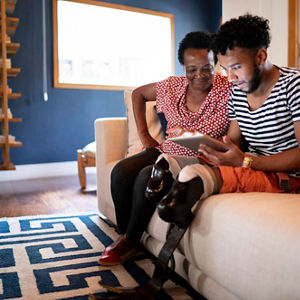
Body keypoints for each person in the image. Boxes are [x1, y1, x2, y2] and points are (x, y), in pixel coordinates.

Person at [98, 31, 232, 265]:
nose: (199, 75)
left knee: (146, 176)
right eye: (192, 70)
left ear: (216, 64)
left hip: (200, 158)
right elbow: (139, 94)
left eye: (206, 68)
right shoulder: (172, 86)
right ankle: (128, 234)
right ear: (183, 67)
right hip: (166, 149)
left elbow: (234, 139)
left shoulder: (229, 90)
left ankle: (129, 241)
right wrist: (144, 134)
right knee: (121, 172)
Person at [157, 14, 300, 228]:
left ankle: (181, 198)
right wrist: (197, 139)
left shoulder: (293, 86)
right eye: (225, 69)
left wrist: (247, 162)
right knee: (174, 161)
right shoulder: (238, 92)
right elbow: (233, 141)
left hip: (287, 175)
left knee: (195, 176)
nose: (231, 78)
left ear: (261, 57)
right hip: (252, 163)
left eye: (236, 67)